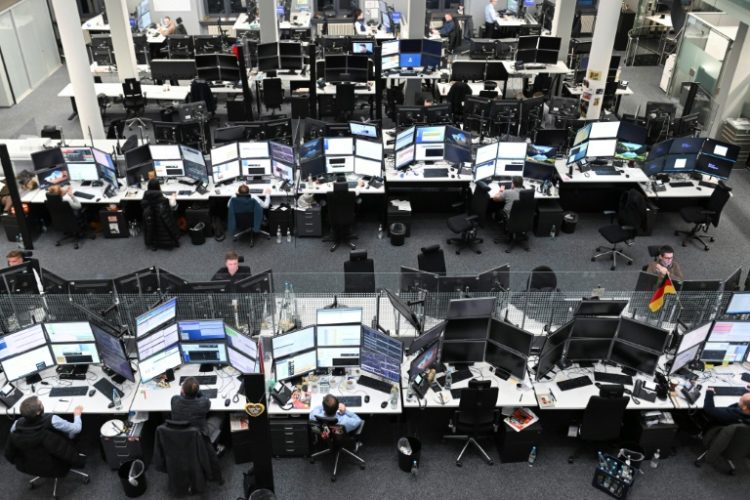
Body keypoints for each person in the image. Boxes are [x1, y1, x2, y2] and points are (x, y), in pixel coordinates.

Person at [171, 377, 225, 448]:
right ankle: (213, 447)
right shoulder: (203, 403)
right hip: (200, 438)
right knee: (220, 414)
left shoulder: (174, 400)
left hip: (179, 436)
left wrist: (184, 391)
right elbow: (206, 399)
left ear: (183, 391)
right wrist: (197, 391)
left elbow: (180, 397)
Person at [11, 396, 84, 440]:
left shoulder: (17, 423)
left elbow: (13, 433)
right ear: (38, 412)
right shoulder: (53, 420)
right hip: (53, 445)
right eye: (40, 404)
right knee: (72, 433)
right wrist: (77, 415)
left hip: (33, 448)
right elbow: (77, 429)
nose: (42, 403)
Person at [141, 179, 180, 250]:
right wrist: (173, 197)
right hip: (164, 225)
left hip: (151, 225)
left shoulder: (145, 199)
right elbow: (172, 207)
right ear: (158, 186)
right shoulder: (163, 200)